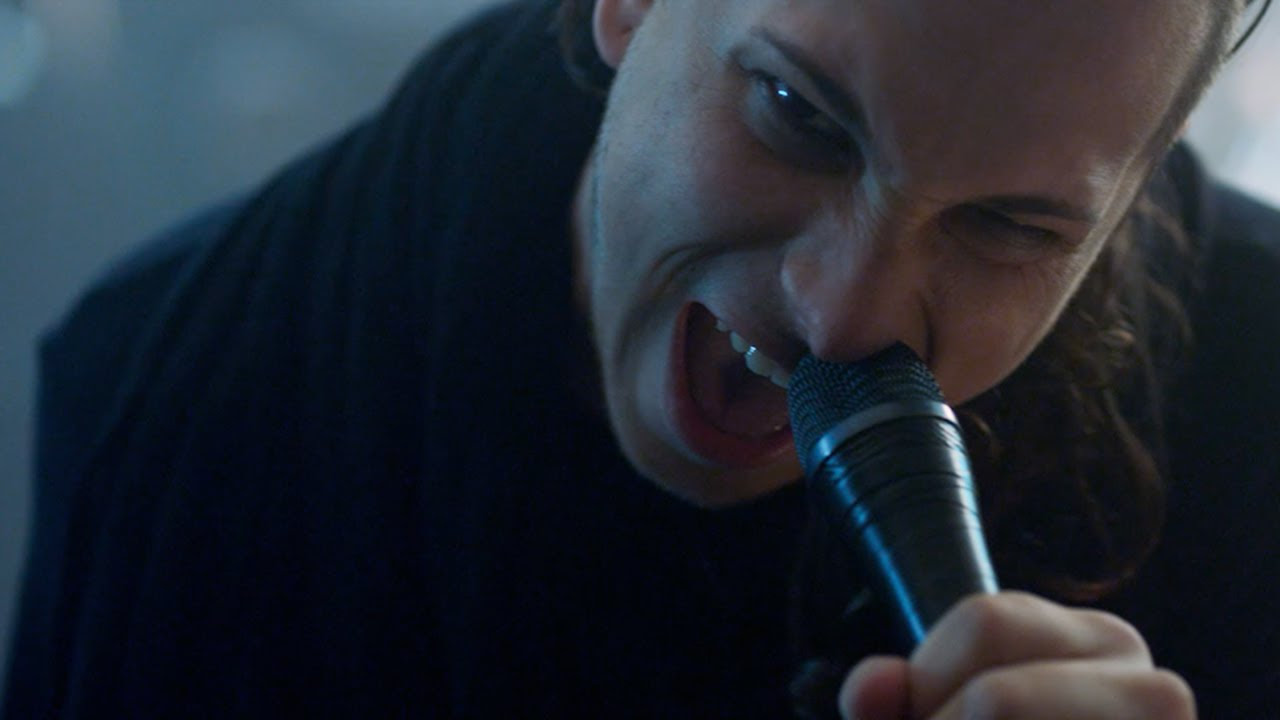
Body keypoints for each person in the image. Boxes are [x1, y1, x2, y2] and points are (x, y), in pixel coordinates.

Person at [5, 0, 1279, 716]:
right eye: (794, 114)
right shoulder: (157, 380)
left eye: (1008, 227)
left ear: (1127, 207)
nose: (843, 318)